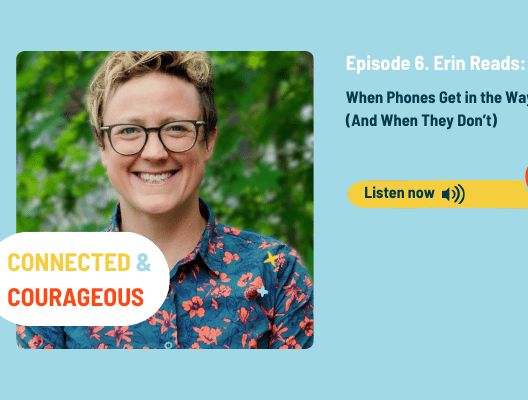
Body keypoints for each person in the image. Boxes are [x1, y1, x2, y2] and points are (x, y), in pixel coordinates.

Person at [16, 51, 313, 349]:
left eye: (176, 128)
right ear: (102, 148)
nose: (155, 153)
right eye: (129, 131)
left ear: (208, 141)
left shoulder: (276, 272)